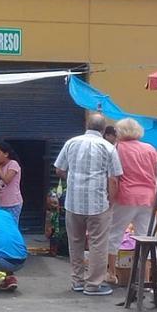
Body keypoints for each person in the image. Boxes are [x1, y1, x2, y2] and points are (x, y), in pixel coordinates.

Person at [54, 113, 123, 296]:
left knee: (75, 242)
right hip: (98, 203)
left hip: (73, 202)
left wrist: (74, 176)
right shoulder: (108, 148)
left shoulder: (71, 143)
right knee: (98, 244)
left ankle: (77, 281)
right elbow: (114, 180)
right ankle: (93, 284)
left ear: (87, 125)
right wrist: (111, 201)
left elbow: (59, 169)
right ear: (103, 128)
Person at [106, 118, 157, 285]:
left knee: (114, 234)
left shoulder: (117, 149)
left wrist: (110, 198)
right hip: (148, 197)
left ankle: (111, 273)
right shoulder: (150, 148)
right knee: (145, 237)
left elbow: (113, 176)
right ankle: (144, 278)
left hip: (125, 196)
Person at [0, 141, 23, 224]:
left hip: (13, 203)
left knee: (11, 226)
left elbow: (7, 180)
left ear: (6, 154)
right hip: (2, 203)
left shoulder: (13, 164)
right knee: (3, 226)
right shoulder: (0, 167)